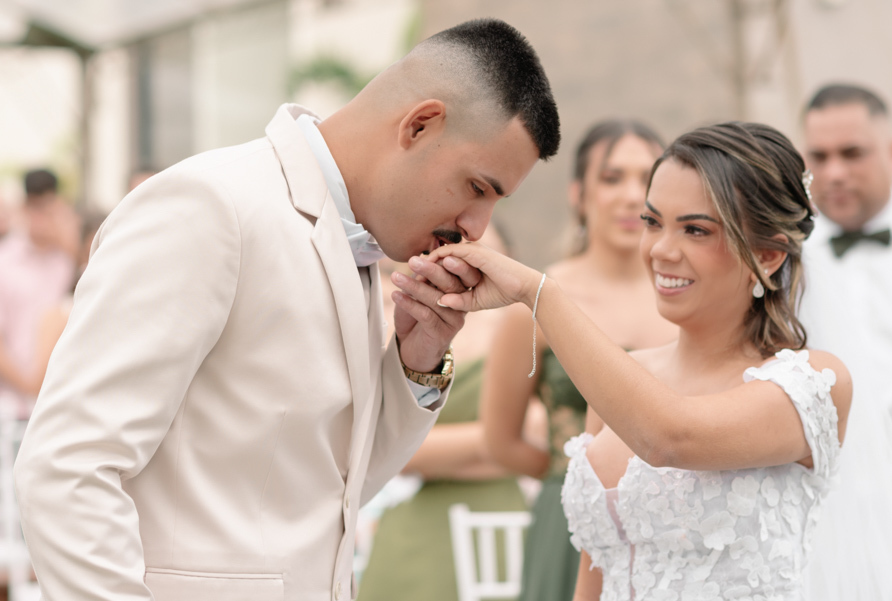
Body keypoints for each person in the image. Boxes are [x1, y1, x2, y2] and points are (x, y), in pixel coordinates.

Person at [13, 19, 560, 601]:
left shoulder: (361, 250)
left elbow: (336, 487)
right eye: (478, 188)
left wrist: (415, 360)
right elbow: (68, 467)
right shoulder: (211, 205)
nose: (477, 229)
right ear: (419, 125)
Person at [414, 121, 852, 600]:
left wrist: (538, 295)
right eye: (652, 222)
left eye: (695, 230)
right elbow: (594, 578)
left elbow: (669, 438)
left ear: (768, 255)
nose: (661, 250)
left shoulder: (812, 385)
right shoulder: (628, 378)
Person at [477, 120, 678, 601]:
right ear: (578, 194)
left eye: (647, 180)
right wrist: (571, 481)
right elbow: (501, 440)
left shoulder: (690, 300)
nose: (633, 196)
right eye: (612, 178)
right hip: (569, 527)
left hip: (675, 525)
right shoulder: (537, 298)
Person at [357, 222, 531, 601]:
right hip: (413, 518)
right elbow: (379, 443)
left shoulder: (523, 328)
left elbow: (544, 432)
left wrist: (436, 451)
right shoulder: (398, 319)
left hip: (507, 520)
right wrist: (501, 443)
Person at [798, 83, 892, 601]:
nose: (834, 172)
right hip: (826, 523)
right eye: (820, 157)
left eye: (852, 154)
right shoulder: (782, 261)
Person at [0, 168, 78, 419]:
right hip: (13, 406)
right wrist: (30, 386)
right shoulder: (5, 261)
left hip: (60, 404)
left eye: (49, 208)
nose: (42, 217)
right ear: (25, 207)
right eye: (36, 207)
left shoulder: (66, 262)